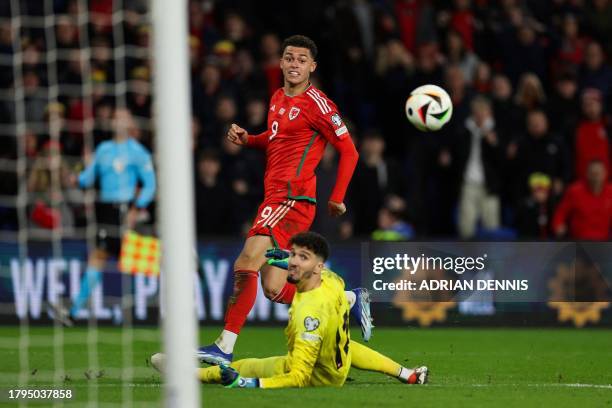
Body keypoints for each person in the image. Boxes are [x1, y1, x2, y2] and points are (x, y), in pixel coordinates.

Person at [198, 35, 364, 366]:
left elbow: (349, 150)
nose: (294, 64)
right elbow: (277, 141)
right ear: (281, 62)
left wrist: (338, 197)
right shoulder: (277, 97)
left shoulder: (318, 104)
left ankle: (224, 346)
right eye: (289, 58)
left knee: (246, 263)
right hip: (275, 197)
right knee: (274, 287)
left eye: (301, 60)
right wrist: (250, 139)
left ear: (312, 67)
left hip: (292, 197)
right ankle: (345, 299)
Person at [152, 232, 428, 388]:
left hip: (321, 376)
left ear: (316, 266)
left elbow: (298, 375)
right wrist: (285, 260)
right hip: (335, 361)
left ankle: (189, 375)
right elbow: (313, 271)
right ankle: (407, 374)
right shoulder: (333, 282)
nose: (292, 262)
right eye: (293, 255)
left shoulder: (308, 311)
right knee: (344, 345)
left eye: (301, 258)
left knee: (246, 367)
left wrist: (251, 385)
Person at [52, 107, 156, 325]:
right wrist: (74, 179)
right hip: (104, 210)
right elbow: (87, 179)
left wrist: (136, 209)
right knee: (109, 257)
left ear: (130, 124)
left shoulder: (138, 152)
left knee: (107, 257)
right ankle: (72, 312)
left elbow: (150, 185)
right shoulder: (103, 150)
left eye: (122, 117)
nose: (117, 121)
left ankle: (73, 311)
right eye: (115, 117)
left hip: (124, 209)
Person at [552, 160, 612, 240]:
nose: (596, 178)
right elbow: (561, 212)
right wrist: (558, 225)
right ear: (587, 174)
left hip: (604, 241)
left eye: (598, 174)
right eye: (593, 174)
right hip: (579, 241)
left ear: (605, 174)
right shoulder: (575, 191)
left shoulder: (610, 191)